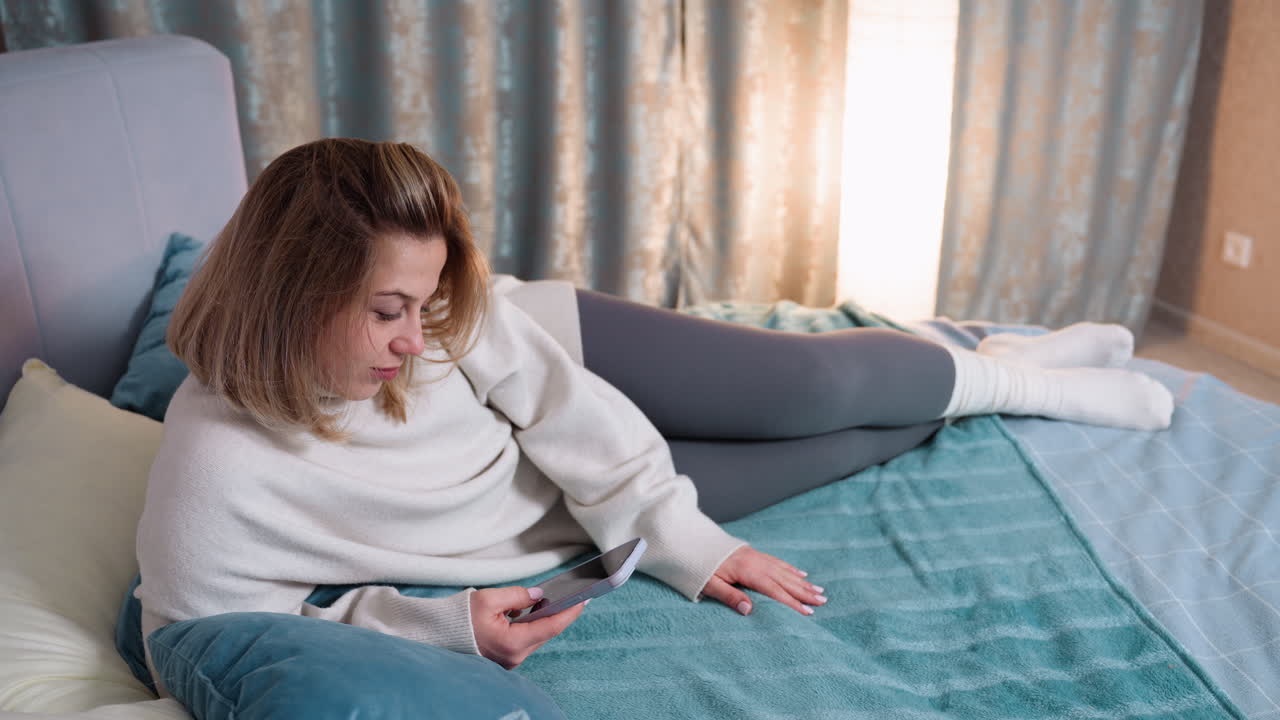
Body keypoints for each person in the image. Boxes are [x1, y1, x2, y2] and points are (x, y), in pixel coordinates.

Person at [133, 138, 1173, 694]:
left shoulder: (452, 320)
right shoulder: (214, 473)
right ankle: (988, 372)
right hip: (551, 515)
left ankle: (1025, 378)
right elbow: (207, 636)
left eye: (427, 301)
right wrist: (439, 624)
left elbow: (562, 407)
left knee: (805, 391)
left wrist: (676, 533)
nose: (418, 338)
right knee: (838, 455)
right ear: (290, 293)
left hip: (570, 363)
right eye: (387, 311)